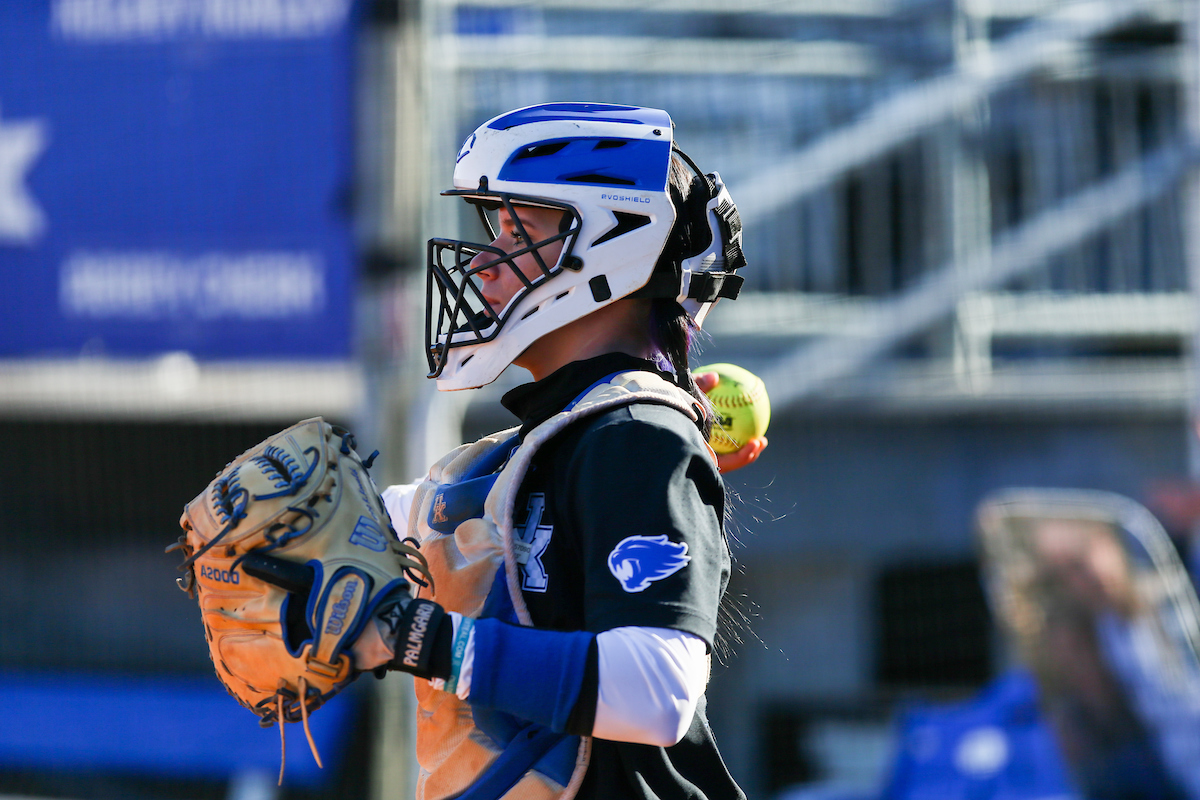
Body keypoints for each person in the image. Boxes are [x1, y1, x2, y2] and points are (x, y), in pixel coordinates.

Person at [351, 102, 763, 800]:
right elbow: (398, 521)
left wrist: (417, 638)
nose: (483, 263)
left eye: (517, 230)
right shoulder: (547, 440)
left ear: (612, 246)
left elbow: (656, 689)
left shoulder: (636, 435)